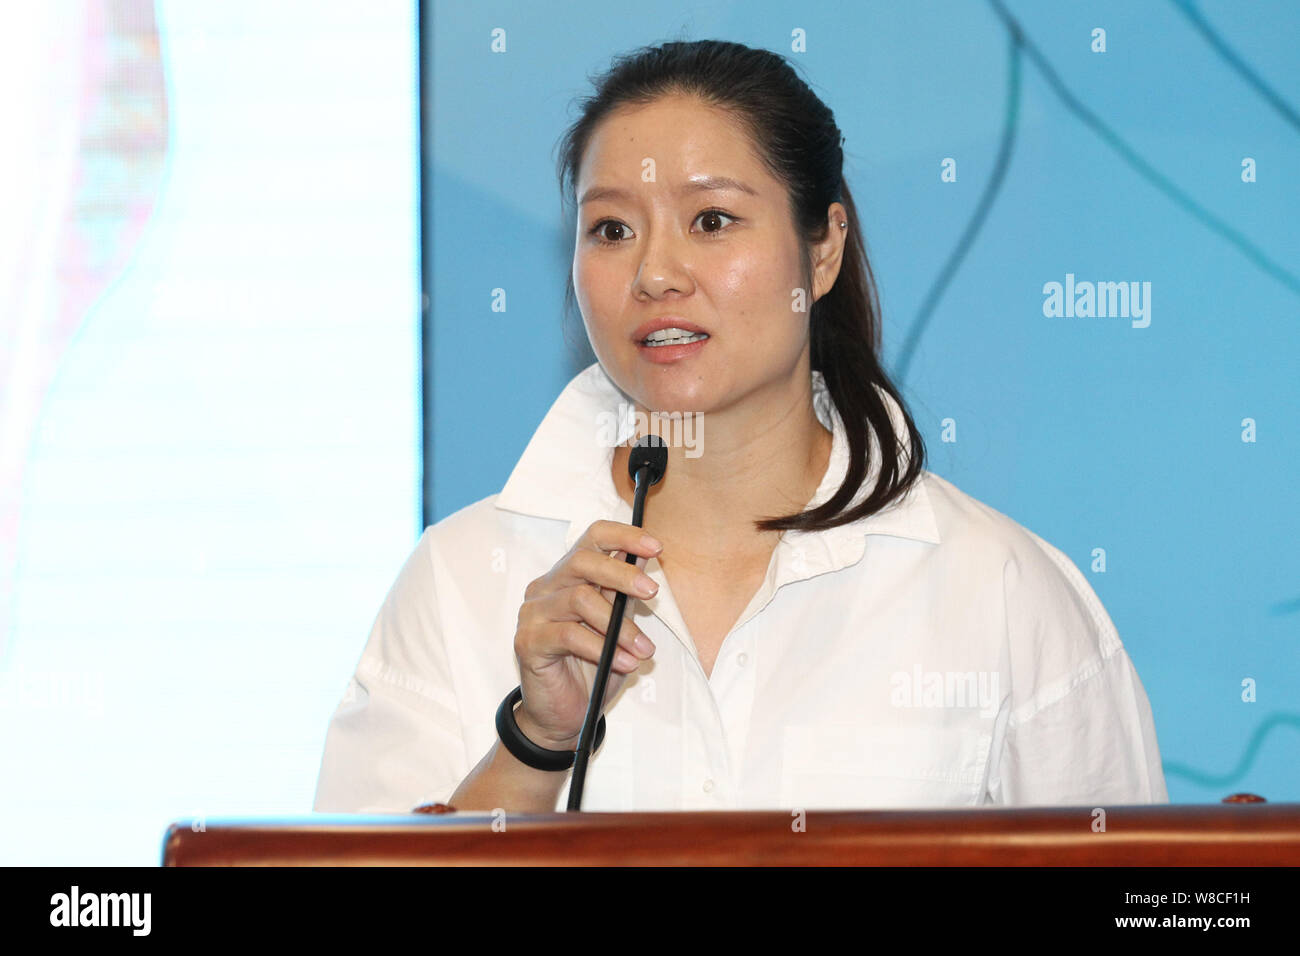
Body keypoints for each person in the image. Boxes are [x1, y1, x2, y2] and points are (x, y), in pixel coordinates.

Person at [312, 39, 1168, 814]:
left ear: (823, 247)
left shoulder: (1000, 592)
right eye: (611, 229)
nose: (654, 274)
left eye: (711, 221)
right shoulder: (460, 581)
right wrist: (536, 742)